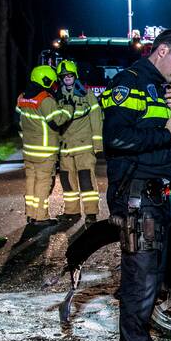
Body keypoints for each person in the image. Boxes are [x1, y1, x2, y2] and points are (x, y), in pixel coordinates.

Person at [100, 28, 171, 341]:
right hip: (137, 199)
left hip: (158, 197)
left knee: (152, 283)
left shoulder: (160, 89)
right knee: (140, 287)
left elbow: (169, 136)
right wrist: (167, 136)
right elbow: (117, 139)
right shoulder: (130, 84)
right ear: (160, 51)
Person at [16, 65, 72, 224]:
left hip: (29, 150)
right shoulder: (45, 99)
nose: (54, 85)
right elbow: (57, 121)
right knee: (43, 183)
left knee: (31, 182)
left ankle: (31, 214)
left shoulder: (22, 97)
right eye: (52, 82)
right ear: (46, 80)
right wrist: (68, 108)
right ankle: (41, 217)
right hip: (45, 151)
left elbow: (17, 121)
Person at [55, 59, 101, 222]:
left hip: (84, 147)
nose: (67, 77)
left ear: (75, 75)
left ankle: (91, 213)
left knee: (86, 181)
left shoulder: (87, 95)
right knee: (67, 183)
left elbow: (96, 119)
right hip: (65, 149)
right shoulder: (56, 97)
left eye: (69, 75)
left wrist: (98, 145)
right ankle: (72, 212)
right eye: (64, 76)